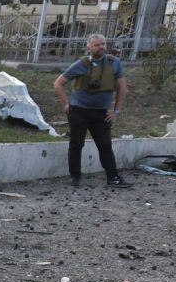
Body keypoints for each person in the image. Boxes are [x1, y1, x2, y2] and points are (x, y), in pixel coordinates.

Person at [51, 34, 129, 187]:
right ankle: (75, 176)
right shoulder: (81, 64)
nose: (101, 47)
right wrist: (67, 103)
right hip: (79, 110)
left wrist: (116, 112)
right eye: (97, 45)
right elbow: (58, 83)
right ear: (89, 47)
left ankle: (113, 177)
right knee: (76, 144)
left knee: (105, 145)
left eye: (103, 44)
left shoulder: (114, 63)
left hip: (101, 112)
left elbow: (122, 89)